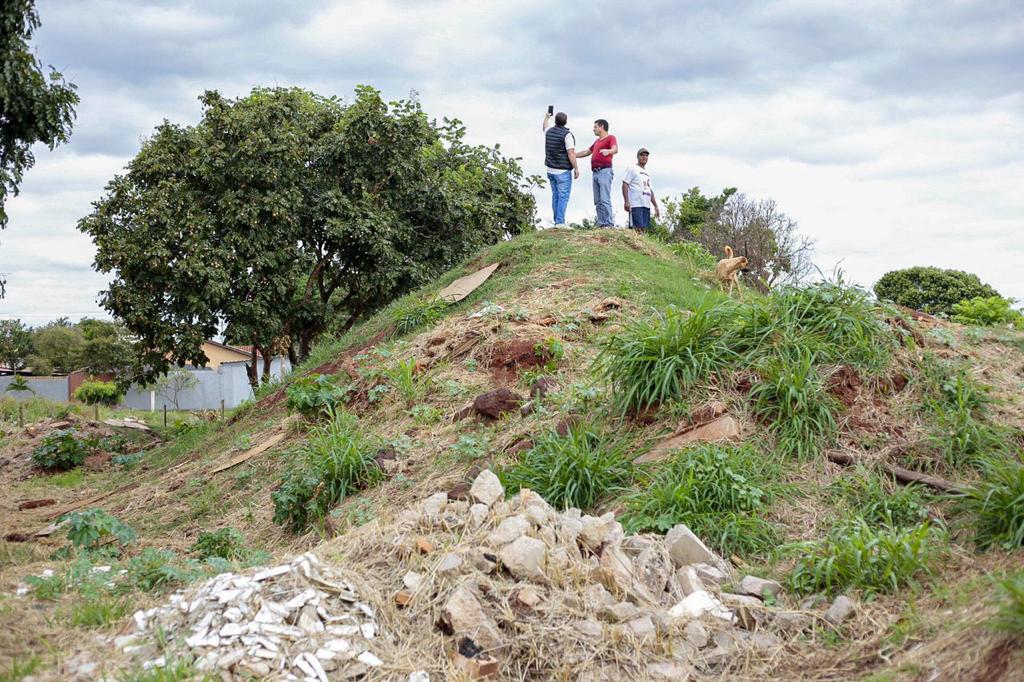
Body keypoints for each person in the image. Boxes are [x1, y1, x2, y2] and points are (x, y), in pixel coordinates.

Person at [574, 119, 617, 227]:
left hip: (605, 172)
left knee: (604, 199)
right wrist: (572, 155)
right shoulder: (597, 142)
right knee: (597, 201)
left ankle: (608, 224)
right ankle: (602, 224)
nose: (593, 129)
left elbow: (615, 149)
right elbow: (587, 152)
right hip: (595, 173)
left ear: (601, 127)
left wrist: (608, 151)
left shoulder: (610, 138)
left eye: (595, 127)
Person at [542, 110, 578, 227]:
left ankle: (557, 220)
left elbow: (545, 127)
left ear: (555, 121)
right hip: (562, 170)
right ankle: (560, 221)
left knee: (555, 195)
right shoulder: (567, 135)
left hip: (550, 169)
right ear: (566, 122)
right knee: (563, 196)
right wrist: (576, 168)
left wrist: (547, 117)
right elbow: (571, 153)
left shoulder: (549, 132)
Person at [621, 148, 660, 231]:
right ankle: (636, 243)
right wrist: (626, 201)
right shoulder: (632, 168)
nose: (644, 157)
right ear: (637, 157)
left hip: (646, 204)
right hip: (635, 204)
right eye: (642, 155)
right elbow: (625, 184)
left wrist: (655, 206)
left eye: (646, 155)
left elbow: (650, 190)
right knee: (637, 227)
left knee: (644, 228)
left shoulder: (648, 173)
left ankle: (642, 243)